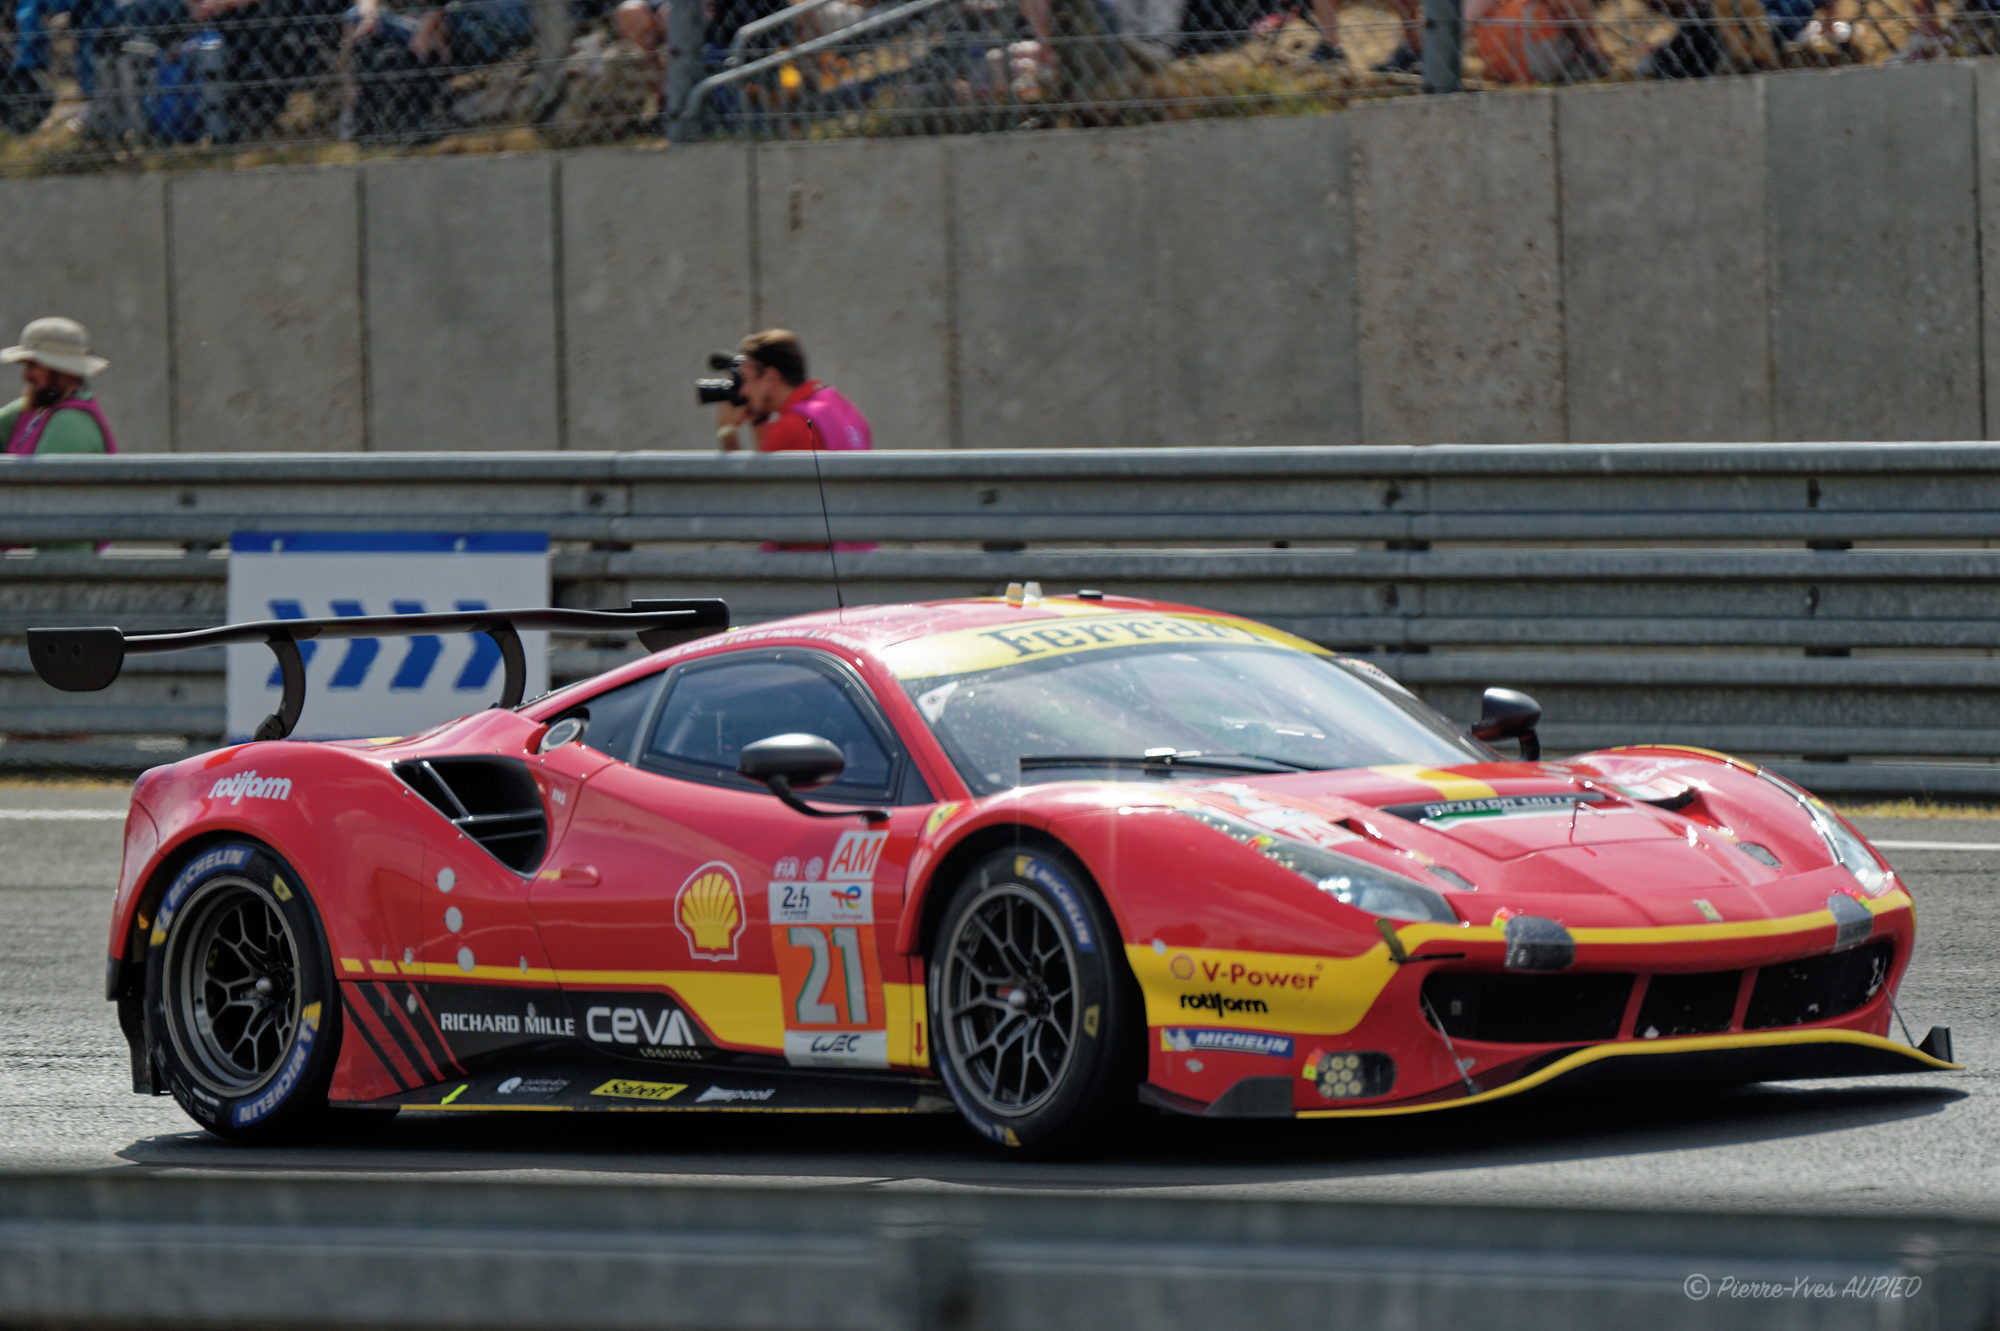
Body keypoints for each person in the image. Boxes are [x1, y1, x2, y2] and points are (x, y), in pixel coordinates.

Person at [715, 328, 871, 454]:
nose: (743, 392)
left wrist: (728, 433)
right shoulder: (839, 405)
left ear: (770, 378)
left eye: (746, 381)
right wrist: (759, 420)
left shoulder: (790, 429)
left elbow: (752, 491)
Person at [0, 317, 116, 456]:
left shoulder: (71, 422)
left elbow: (41, 476)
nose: (26, 376)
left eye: (33, 366)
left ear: (63, 371)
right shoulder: (33, 411)